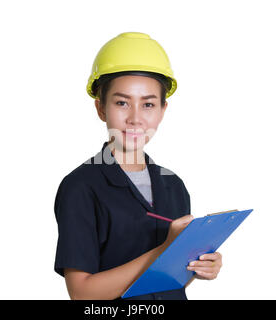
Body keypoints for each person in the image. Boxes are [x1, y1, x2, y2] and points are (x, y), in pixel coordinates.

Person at [53, 32, 222, 300]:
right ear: (101, 108)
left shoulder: (174, 185)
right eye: (122, 103)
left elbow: (169, 281)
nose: (135, 118)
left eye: (148, 104)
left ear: (163, 110)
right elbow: (82, 294)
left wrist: (198, 266)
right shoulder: (80, 187)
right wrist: (165, 250)